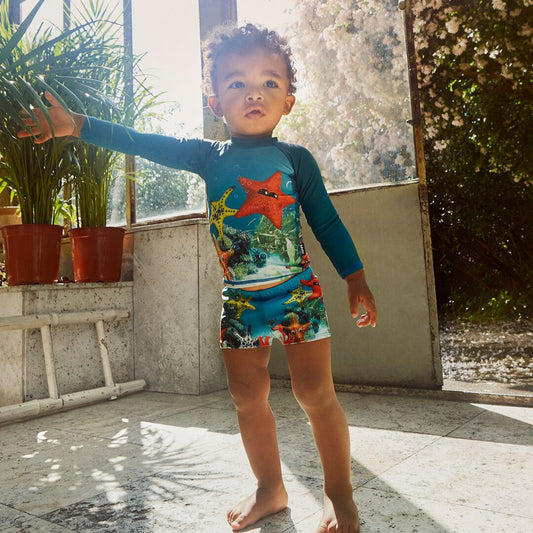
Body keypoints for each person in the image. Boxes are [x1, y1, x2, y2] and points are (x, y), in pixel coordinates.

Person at [19, 23, 376, 533]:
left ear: (289, 101)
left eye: (269, 82)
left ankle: (338, 493)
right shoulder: (209, 157)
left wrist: (355, 277)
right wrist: (79, 124)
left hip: (298, 293)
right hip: (242, 302)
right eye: (237, 83)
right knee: (246, 397)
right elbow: (144, 142)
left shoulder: (296, 160)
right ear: (215, 102)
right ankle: (270, 489)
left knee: (315, 394)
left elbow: (327, 222)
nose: (254, 92)